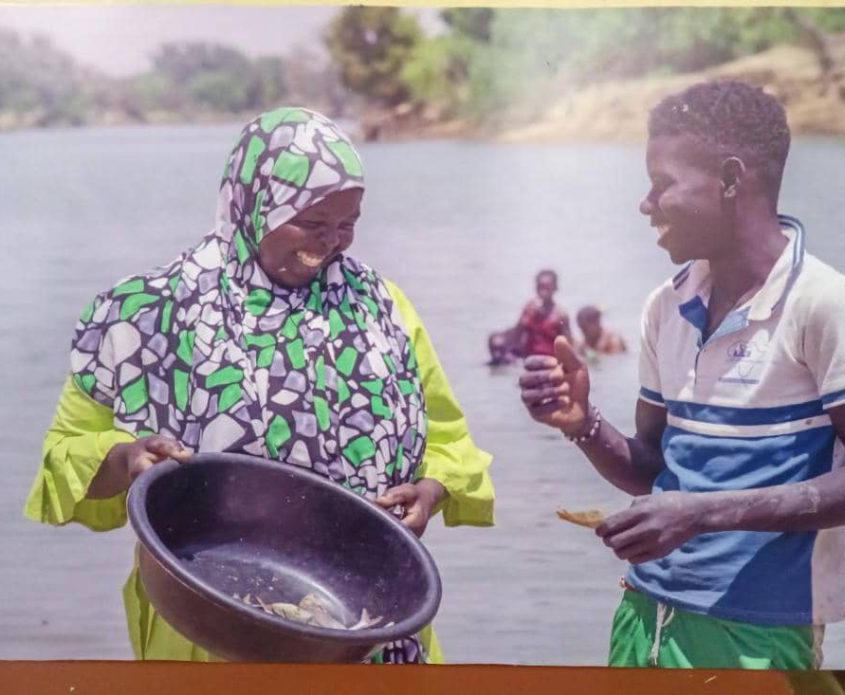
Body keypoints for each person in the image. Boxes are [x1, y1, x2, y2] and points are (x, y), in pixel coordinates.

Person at [24, 107, 495, 664]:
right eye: (311, 224)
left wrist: (431, 489)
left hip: (362, 619)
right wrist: (126, 458)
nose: (330, 244)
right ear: (254, 204)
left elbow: (447, 440)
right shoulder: (145, 315)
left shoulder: (382, 310)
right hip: (208, 624)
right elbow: (64, 457)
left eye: (347, 224)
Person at [518, 80, 845, 670]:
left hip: (758, 635)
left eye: (662, 183)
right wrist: (582, 424)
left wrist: (702, 513)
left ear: (730, 180)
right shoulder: (668, 305)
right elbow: (654, 472)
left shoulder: (828, 304)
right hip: (642, 617)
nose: (646, 204)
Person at [516, 269, 573, 358]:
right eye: (540, 287)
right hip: (529, 359)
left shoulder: (560, 314)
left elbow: (568, 345)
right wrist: (527, 317)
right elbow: (517, 334)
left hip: (550, 360)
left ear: (555, 288)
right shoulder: (529, 308)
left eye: (547, 287)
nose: (543, 291)